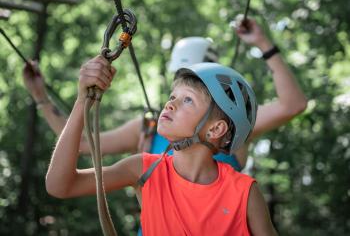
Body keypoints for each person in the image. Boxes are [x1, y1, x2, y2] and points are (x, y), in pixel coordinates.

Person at [23, 18, 307, 170]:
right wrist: (42, 99)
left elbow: (292, 105)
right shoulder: (149, 128)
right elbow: (83, 145)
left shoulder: (228, 126)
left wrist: (262, 43)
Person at [46, 57, 278, 235]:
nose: (170, 105)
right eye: (172, 96)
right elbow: (60, 186)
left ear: (215, 130)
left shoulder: (245, 192)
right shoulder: (145, 170)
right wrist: (82, 101)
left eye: (187, 99)